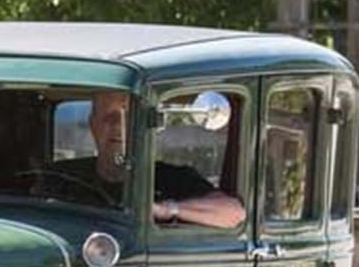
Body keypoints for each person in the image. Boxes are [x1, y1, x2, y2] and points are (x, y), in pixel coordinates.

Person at [48, 91, 245, 229]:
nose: (117, 126)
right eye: (108, 116)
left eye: (128, 116)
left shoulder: (172, 178)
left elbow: (234, 214)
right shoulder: (58, 178)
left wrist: (167, 210)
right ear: (93, 124)